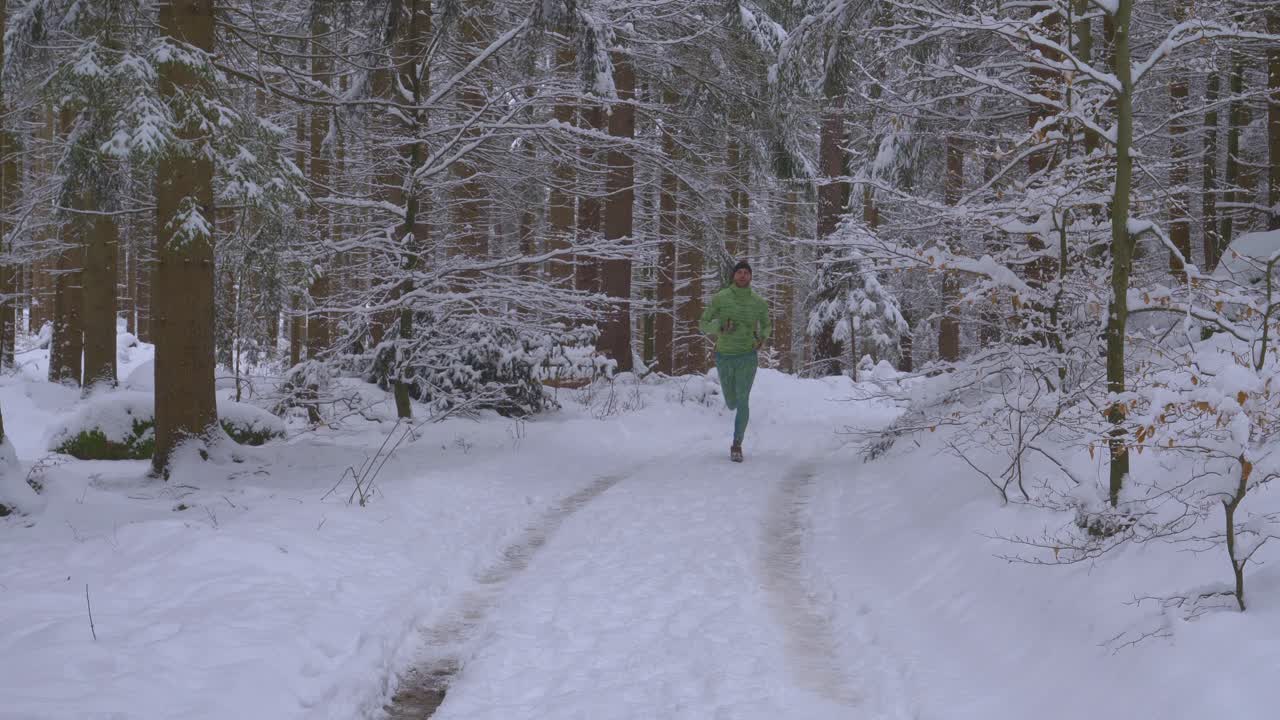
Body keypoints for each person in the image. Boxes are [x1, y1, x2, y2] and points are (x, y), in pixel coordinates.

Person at [699, 260, 771, 462]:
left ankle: (737, 444)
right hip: (725, 356)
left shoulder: (758, 302)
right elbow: (703, 323)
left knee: (743, 400)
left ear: (750, 277)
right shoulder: (721, 298)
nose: (742, 275)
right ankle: (732, 409)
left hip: (747, 357)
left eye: (746, 272)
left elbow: (766, 325)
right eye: (739, 272)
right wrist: (720, 328)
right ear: (733, 276)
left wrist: (762, 338)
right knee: (731, 402)